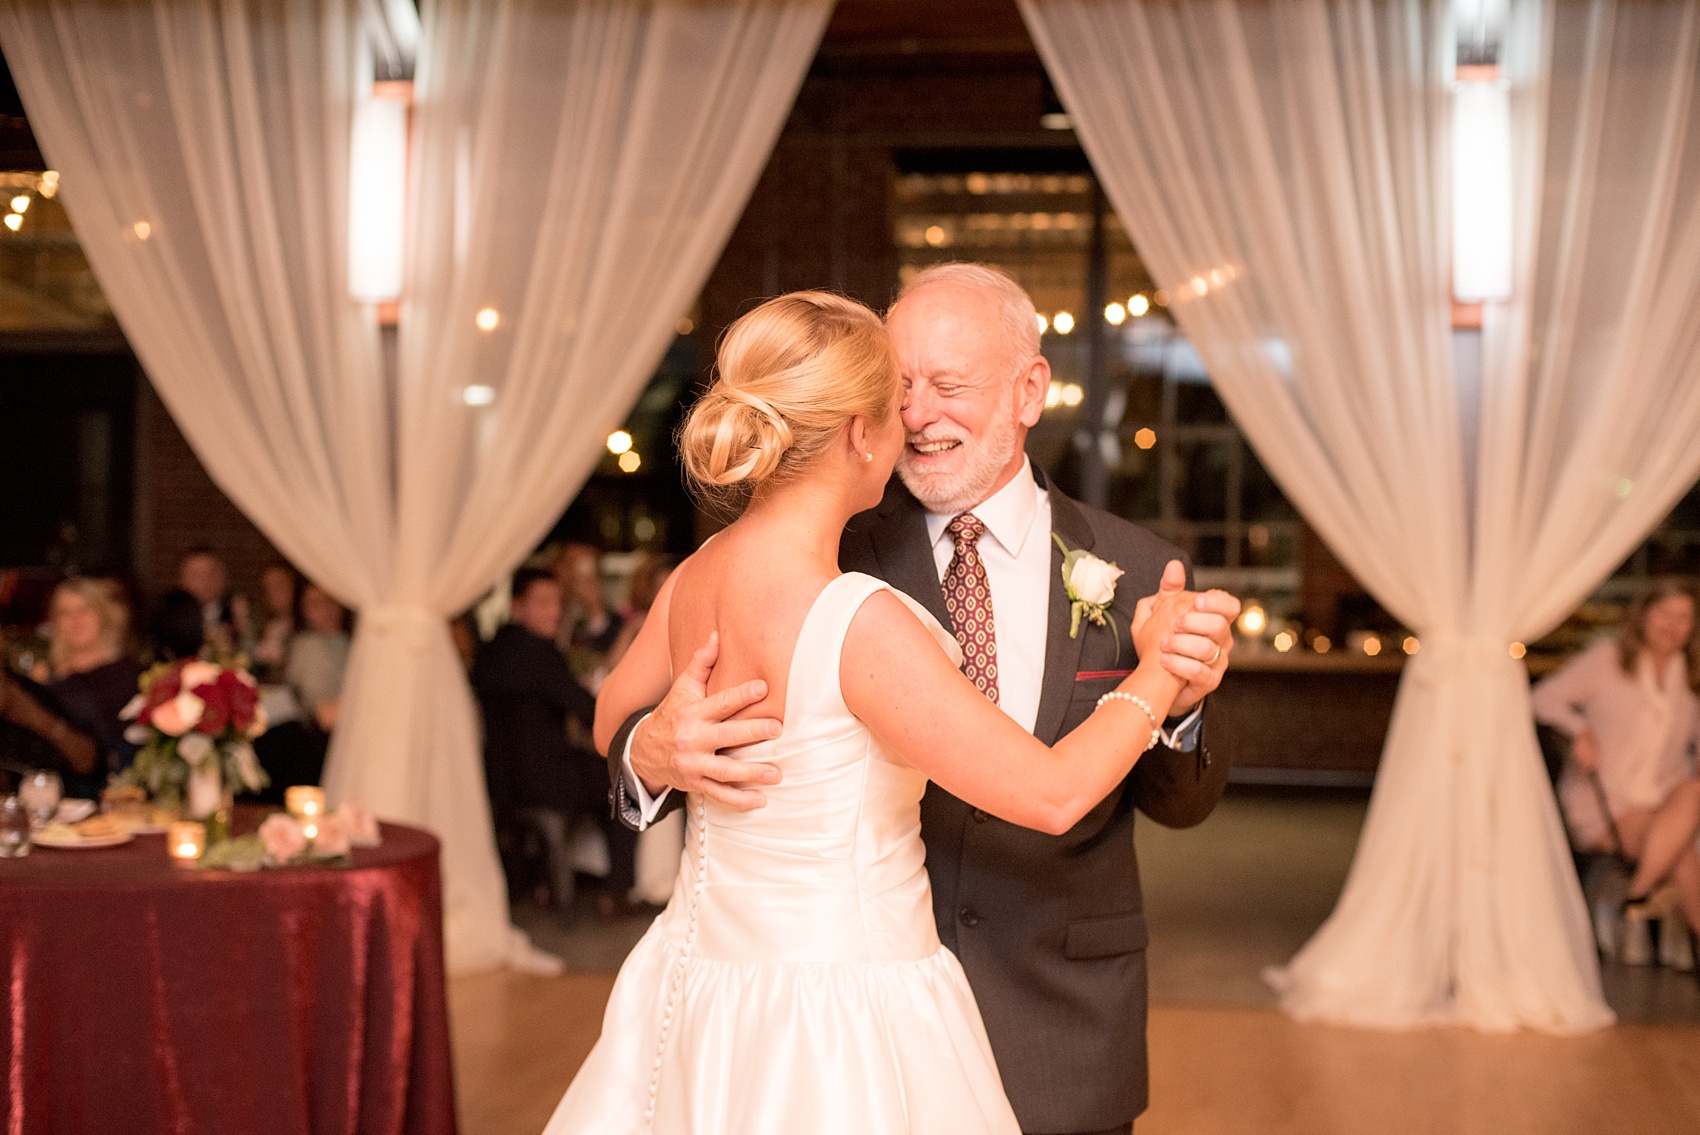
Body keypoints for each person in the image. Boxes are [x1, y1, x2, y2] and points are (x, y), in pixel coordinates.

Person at [544, 290, 1223, 1134]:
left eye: (947, 384)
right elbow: (1050, 795)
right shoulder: (857, 611)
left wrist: (642, 738)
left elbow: (613, 709)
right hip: (849, 1017)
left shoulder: (698, 571)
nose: (915, 416)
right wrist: (1158, 668)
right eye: (899, 395)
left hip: (706, 998)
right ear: (862, 433)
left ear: (1027, 390)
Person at [1532, 579, 1700, 958]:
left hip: (1665, 801)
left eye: (1683, 618)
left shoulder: (1687, 674)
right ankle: (1645, 895)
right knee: (1685, 856)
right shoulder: (1607, 660)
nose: (1672, 625)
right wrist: (1580, 730)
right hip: (1606, 801)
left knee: (1692, 792)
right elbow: (1542, 698)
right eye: (1663, 613)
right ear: (1643, 616)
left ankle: (1638, 891)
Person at [473, 566, 639, 913]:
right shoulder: (539, 653)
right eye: (544, 603)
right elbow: (588, 711)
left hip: (500, 781)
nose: (555, 612)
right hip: (545, 781)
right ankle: (619, 891)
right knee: (626, 781)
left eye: (557, 603)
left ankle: (541, 884)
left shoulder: (491, 652)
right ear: (517, 606)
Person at [0, 578, 142, 797]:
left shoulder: (124, 676)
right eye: (65, 613)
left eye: (84, 610)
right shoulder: (46, 678)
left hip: (105, 790)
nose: (76, 621)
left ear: (102, 616)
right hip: (48, 791)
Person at [285, 583, 351, 734]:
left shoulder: (348, 640)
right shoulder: (308, 646)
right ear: (304, 611)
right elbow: (324, 715)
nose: (327, 609)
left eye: (331, 601)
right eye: (316, 604)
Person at [555, 542, 624, 684]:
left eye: (588, 565)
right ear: (559, 567)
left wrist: (594, 605)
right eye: (572, 564)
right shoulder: (548, 606)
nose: (577, 573)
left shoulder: (611, 619)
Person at [606, 552, 679, 670]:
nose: (667, 595)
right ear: (651, 592)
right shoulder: (639, 621)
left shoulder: (688, 623)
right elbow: (611, 666)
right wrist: (631, 630)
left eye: (671, 587)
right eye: (660, 588)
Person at [177, 547, 246, 657]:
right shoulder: (172, 619)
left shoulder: (238, 612)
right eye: (197, 576)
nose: (206, 581)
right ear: (182, 581)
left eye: (211, 574)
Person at [251, 562, 299, 682]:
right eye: (269, 588)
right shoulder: (261, 626)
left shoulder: (305, 629)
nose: (275, 592)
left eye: (280, 585)